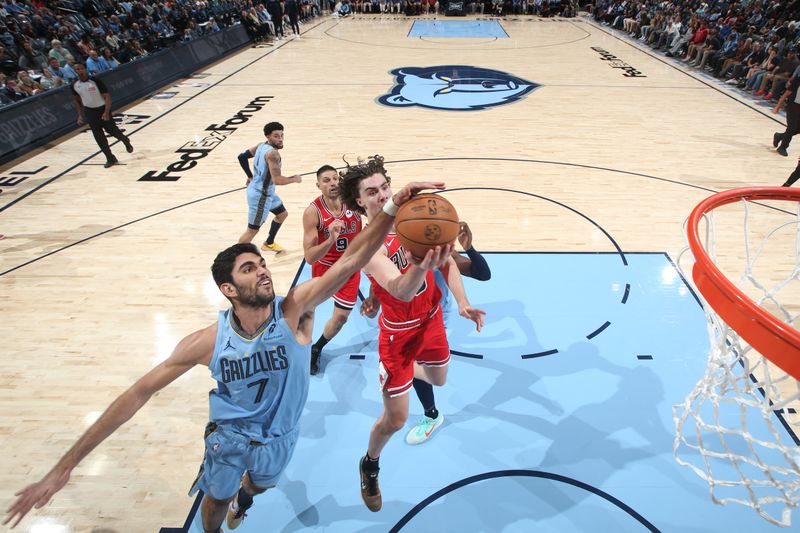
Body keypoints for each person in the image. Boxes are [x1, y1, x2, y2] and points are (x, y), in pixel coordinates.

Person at [2, 177, 446, 532]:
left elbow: (351, 259)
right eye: (250, 269)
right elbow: (136, 395)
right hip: (229, 438)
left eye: (264, 264)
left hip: (281, 437)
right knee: (214, 499)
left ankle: (247, 498)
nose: (264, 272)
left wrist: (389, 208)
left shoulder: (295, 311)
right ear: (229, 290)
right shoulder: (207, 341)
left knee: (258, 485)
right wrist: (63, 469)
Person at [337, 156, 485, 512]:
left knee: (439, 378)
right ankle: (370, 463)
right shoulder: (365, 245)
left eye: (384, 187)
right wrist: (420, 266)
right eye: (371, 192)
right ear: (359, 201)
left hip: (431, 318)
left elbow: (448, 261)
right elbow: (401, 289)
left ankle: (401, 377)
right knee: (397, 419)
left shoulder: (412, 218)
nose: (381, 195)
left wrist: (463, 304)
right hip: (399, 334)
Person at [361, 221, 491, 445]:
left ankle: (399, 369)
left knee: (435, 376)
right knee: (414, 365)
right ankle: (431, 414)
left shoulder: (424, 241)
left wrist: (469, 248)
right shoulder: (374, 246)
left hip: (433, 317)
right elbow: (387, 279)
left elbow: (482, 273)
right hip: (402, 322)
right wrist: (373, 300)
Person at [302, 164, 363, 375]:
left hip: (349, 267)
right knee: (307, 310)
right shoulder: (313, 212)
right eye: (326, 180)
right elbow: (310, 257)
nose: (333, 183)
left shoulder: (353, 200)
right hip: (325, 267)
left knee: (341, 319)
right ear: (318, 185)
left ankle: (317, 348)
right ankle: (298, 346)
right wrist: (330, 239)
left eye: (335, 178)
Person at [237, 122, 301, 252]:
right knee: (252, 231)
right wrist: (294, 179)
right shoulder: (272, 154)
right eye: (276, 136)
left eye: (282, 135)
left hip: (264, 191)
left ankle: (269, 243)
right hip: (261, 196)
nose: (281, 139)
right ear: (268, 137)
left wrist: (250, 176)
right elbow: (277, 180)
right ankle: (234, 260)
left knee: (282, 214)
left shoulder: (261, 146)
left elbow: (242, 157)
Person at [71, 62, 133, 168]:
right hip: (90, 112)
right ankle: (110, 158)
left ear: (85, 69)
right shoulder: (75, 85)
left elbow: (107, 97)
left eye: (81, 68)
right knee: (99, 137)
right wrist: (80, 115)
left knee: (113, 131)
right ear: (75, 71)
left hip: (102, 109)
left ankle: (125, 140)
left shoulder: (95, 81)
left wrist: (106, 111)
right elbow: (77, 101)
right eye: (77, 69)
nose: (79, 71)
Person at [773, 67, 800, 157]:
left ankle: (779, 136)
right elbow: (787, 93)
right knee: (791, 127)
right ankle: (783, 147)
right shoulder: (797, 80)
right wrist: (777, 106)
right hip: (793, 106)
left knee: (798, 129)